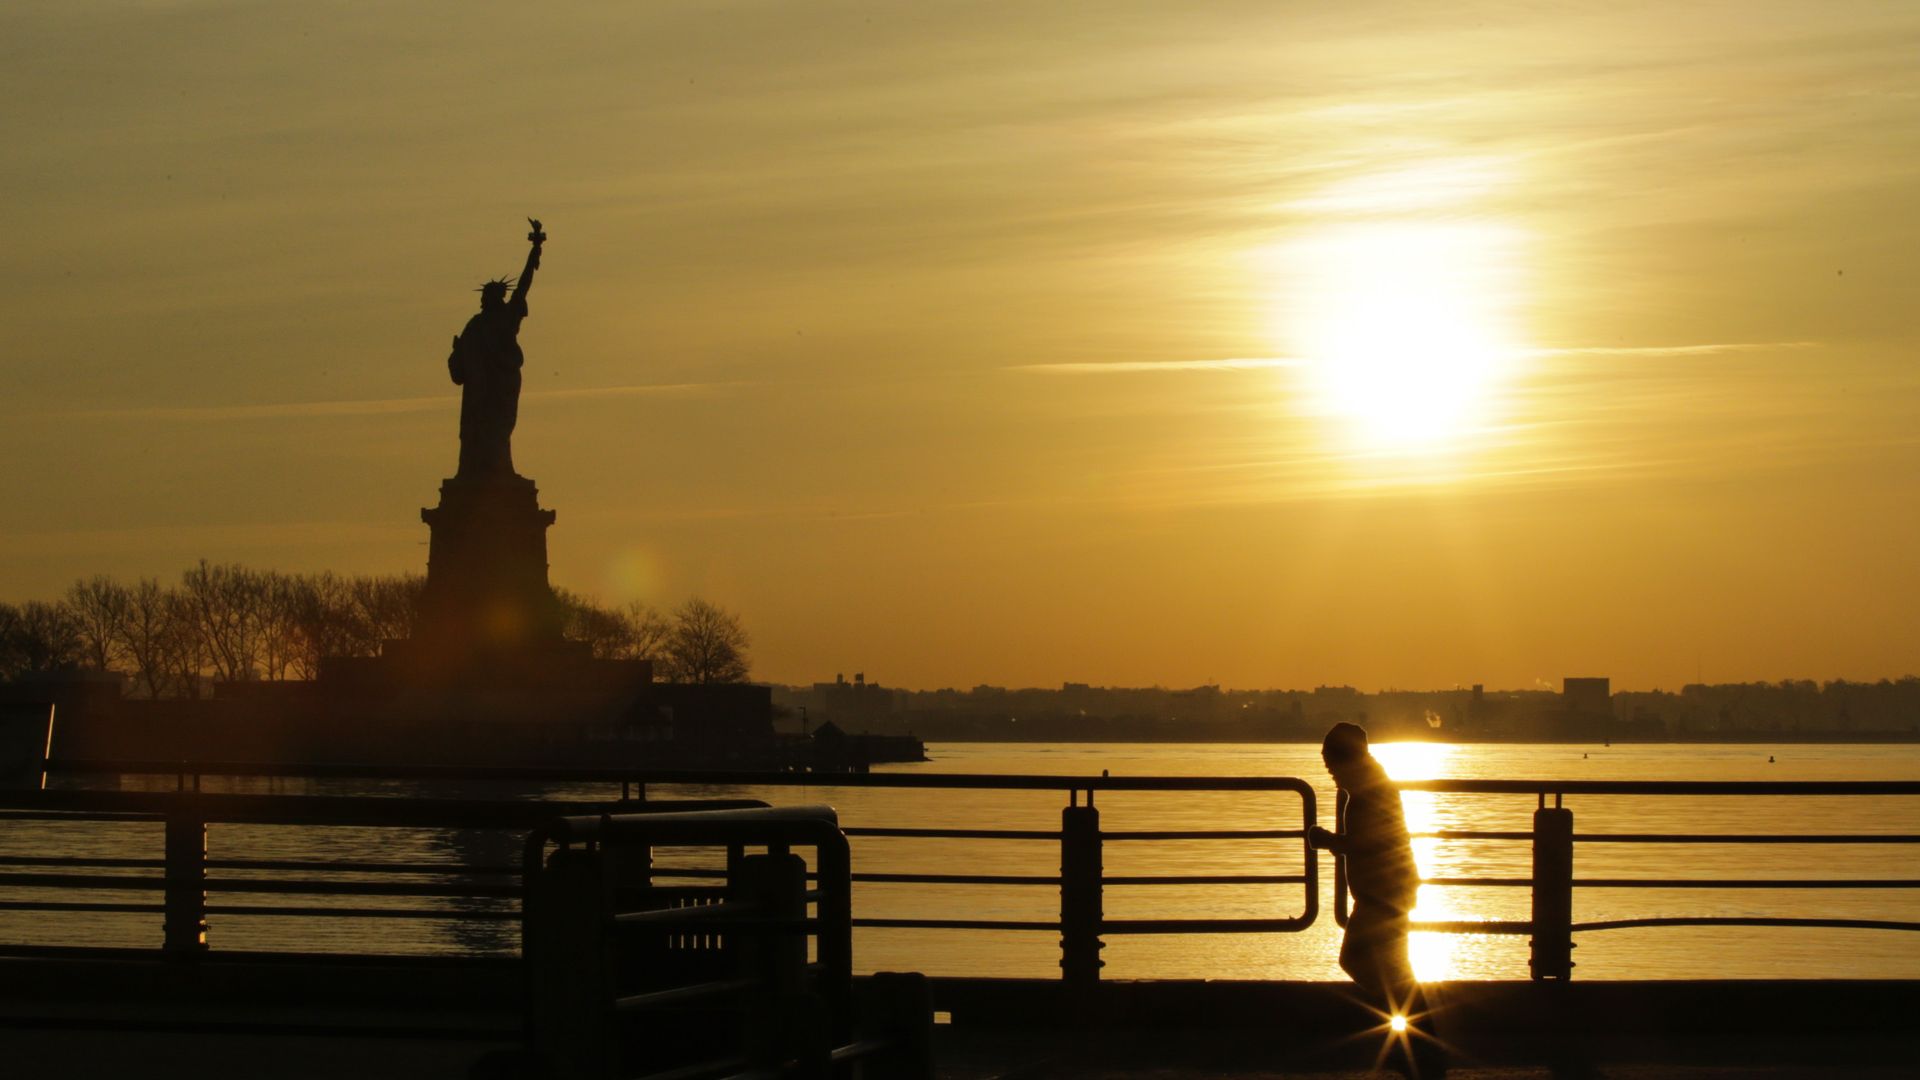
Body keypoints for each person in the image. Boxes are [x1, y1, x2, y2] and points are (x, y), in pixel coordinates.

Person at [1308, 722, 1443, 1075]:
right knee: (1396, 972)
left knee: (1359, 961)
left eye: (1331, 764)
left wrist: (1327, 841)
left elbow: (1368, 843)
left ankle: (1420, 1042)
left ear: (1345, 759)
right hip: (1386, 891)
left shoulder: (1369, 791)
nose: (1331, 773)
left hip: (1383, 893)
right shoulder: (1372, 785)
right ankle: (1418, 1043)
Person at [449, 220, 544, 477]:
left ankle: (498, 469)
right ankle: (483, 471)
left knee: (499, 428)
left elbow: (524, 286)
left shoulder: (503, 318)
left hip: (500, 385)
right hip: (483, 389)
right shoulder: (477, 325)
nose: (483, 300)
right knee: (480, 429)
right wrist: (457, 352)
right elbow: (459, 368)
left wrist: (534, 251)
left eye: (487, 297)